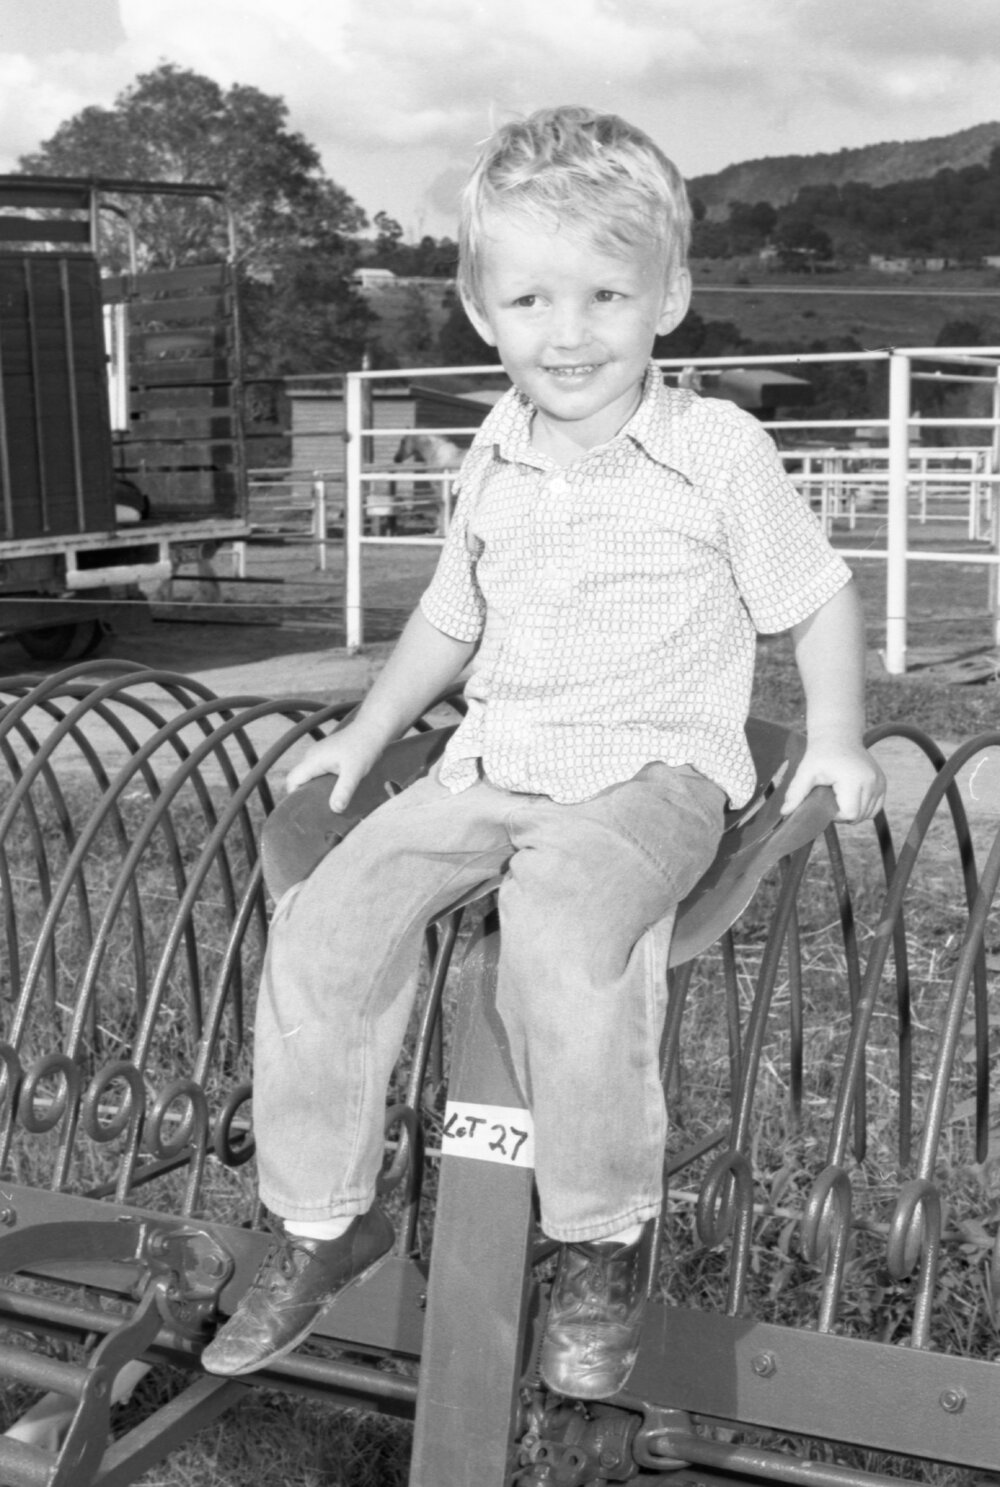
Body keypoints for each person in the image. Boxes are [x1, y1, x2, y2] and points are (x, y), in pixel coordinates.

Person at [202, 105, 885, 1398]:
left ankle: (597, 1242)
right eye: (530, 298)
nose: (568, 333)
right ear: (480, 308)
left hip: (656, 771)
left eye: (605, 294)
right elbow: (451, 618)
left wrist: (839, 736)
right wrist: (362, 734)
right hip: (495, 760)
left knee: (565, 936)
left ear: (667, 297)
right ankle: (323, 1218)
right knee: (327, 921)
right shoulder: (494, 452)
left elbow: (819, 593)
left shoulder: (714, 450)